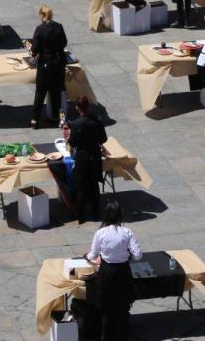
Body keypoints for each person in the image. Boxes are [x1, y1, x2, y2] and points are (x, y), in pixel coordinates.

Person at [86, 201, 142, 341]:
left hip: (106, 273)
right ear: (120, 216)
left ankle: (106, 337)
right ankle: (123, 336)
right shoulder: (127, 232)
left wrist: (88, 257)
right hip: (123, 272)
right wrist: (127, 255)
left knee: (107, 308)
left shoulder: (100, 233)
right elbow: (138, 255)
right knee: (123, 307)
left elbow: (92, 255)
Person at [69, 96, 107, 223]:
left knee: (80, 185)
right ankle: (96, 211)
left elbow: (73, 142)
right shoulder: (97, 120)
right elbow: (103, 139)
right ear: (88, 106)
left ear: (77, 108)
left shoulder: (76, 124)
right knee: (93, 184)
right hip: (95, 156)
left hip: (82, 157)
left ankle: (80, 213)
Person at [30, 5, 68, 129]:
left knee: (40, 93)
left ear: (42, 15)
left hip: (45, 65)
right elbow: (64, 43)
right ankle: (58, 119)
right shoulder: (59, 27)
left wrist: (34, 51)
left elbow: (35, 49)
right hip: (58, 64)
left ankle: (35, 120)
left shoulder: (40, 29)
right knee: (57, 92)